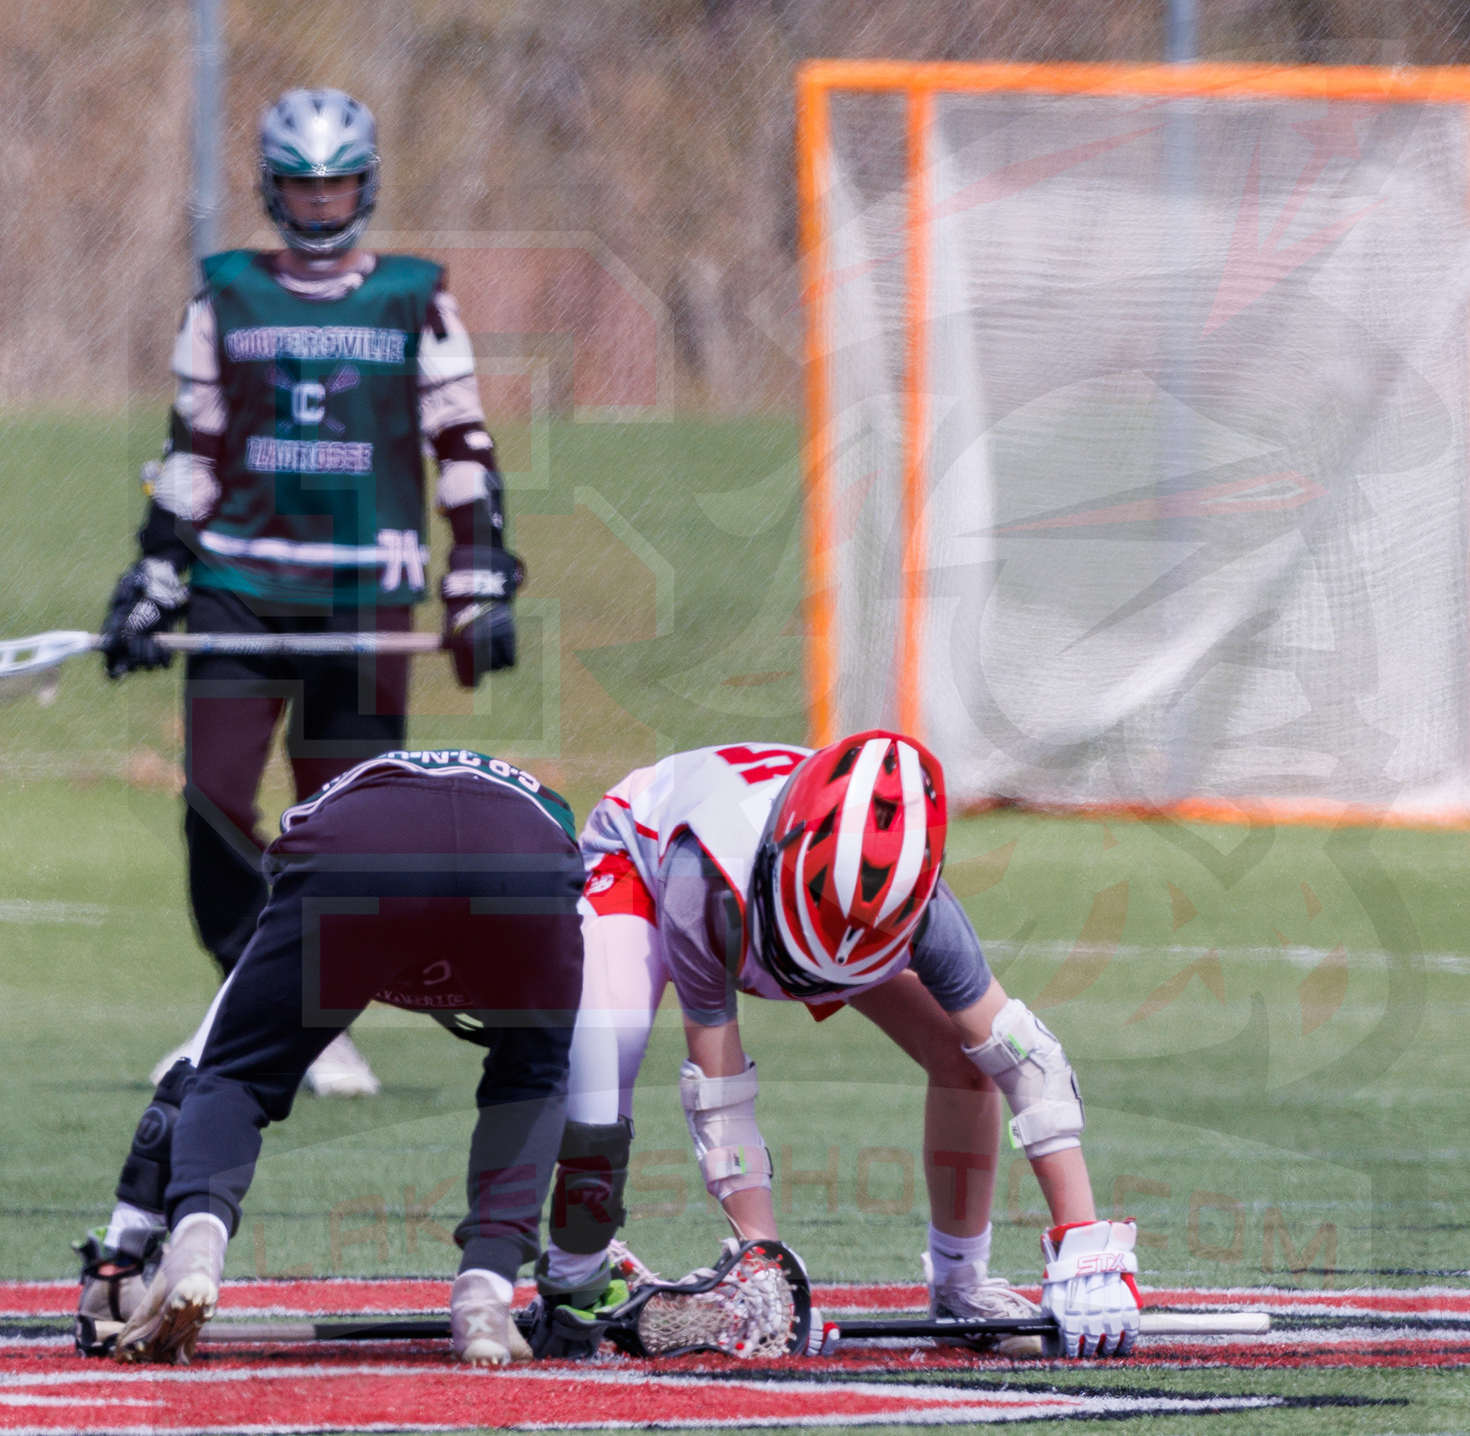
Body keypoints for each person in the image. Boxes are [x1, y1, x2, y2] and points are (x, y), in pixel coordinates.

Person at [100, 88, 523, 1098]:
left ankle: (312, 1024)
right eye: (302, 188)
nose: (321, 206)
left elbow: (462, 442)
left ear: (366, 188)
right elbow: (192, 448)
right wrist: (156, 571)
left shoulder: (416, 299)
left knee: (349, 828)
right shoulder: (227, 296)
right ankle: (255, 1001)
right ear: (271, 189)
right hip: (240, 584)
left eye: (337, 187)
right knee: (214, 800)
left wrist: (477, 574)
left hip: (366, 594)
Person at [540, 732, 1142, 1360]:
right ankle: (576, 1268)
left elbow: (1027, 1061)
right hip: (642, 858)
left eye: (866, 930)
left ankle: (961, 1285)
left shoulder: (917, 908)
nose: (842, 944)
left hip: (785, 903)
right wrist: (765, 1261)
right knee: (605, 1060)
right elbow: (719, 1094)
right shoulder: (702, 879)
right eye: (831, 919)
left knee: (961, 1054)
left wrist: (1085, 1245)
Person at [76, 749, 595, 1366]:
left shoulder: (340, 826)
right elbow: (580, 1093)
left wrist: (122, 1249)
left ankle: (197, 1247)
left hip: (362, 846)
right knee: (532, 1078)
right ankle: (486, 1292)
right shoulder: (570, 870)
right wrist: (579, 1272)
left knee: (238, 1074)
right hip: (525, 854)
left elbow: (204, 1071)